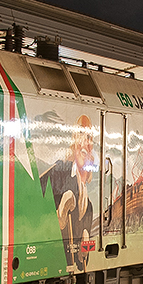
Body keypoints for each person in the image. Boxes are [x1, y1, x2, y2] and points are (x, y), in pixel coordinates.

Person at [41, 114, 95, 271]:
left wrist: (84, 251)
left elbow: (81, 264)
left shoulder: (88, 207)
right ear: (73, 142)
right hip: (49, 261)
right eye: (81, 134)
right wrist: (59, 215)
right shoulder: (58, 172)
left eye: (89, 137)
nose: (85, 142)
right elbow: (34, 198)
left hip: (67, 268)